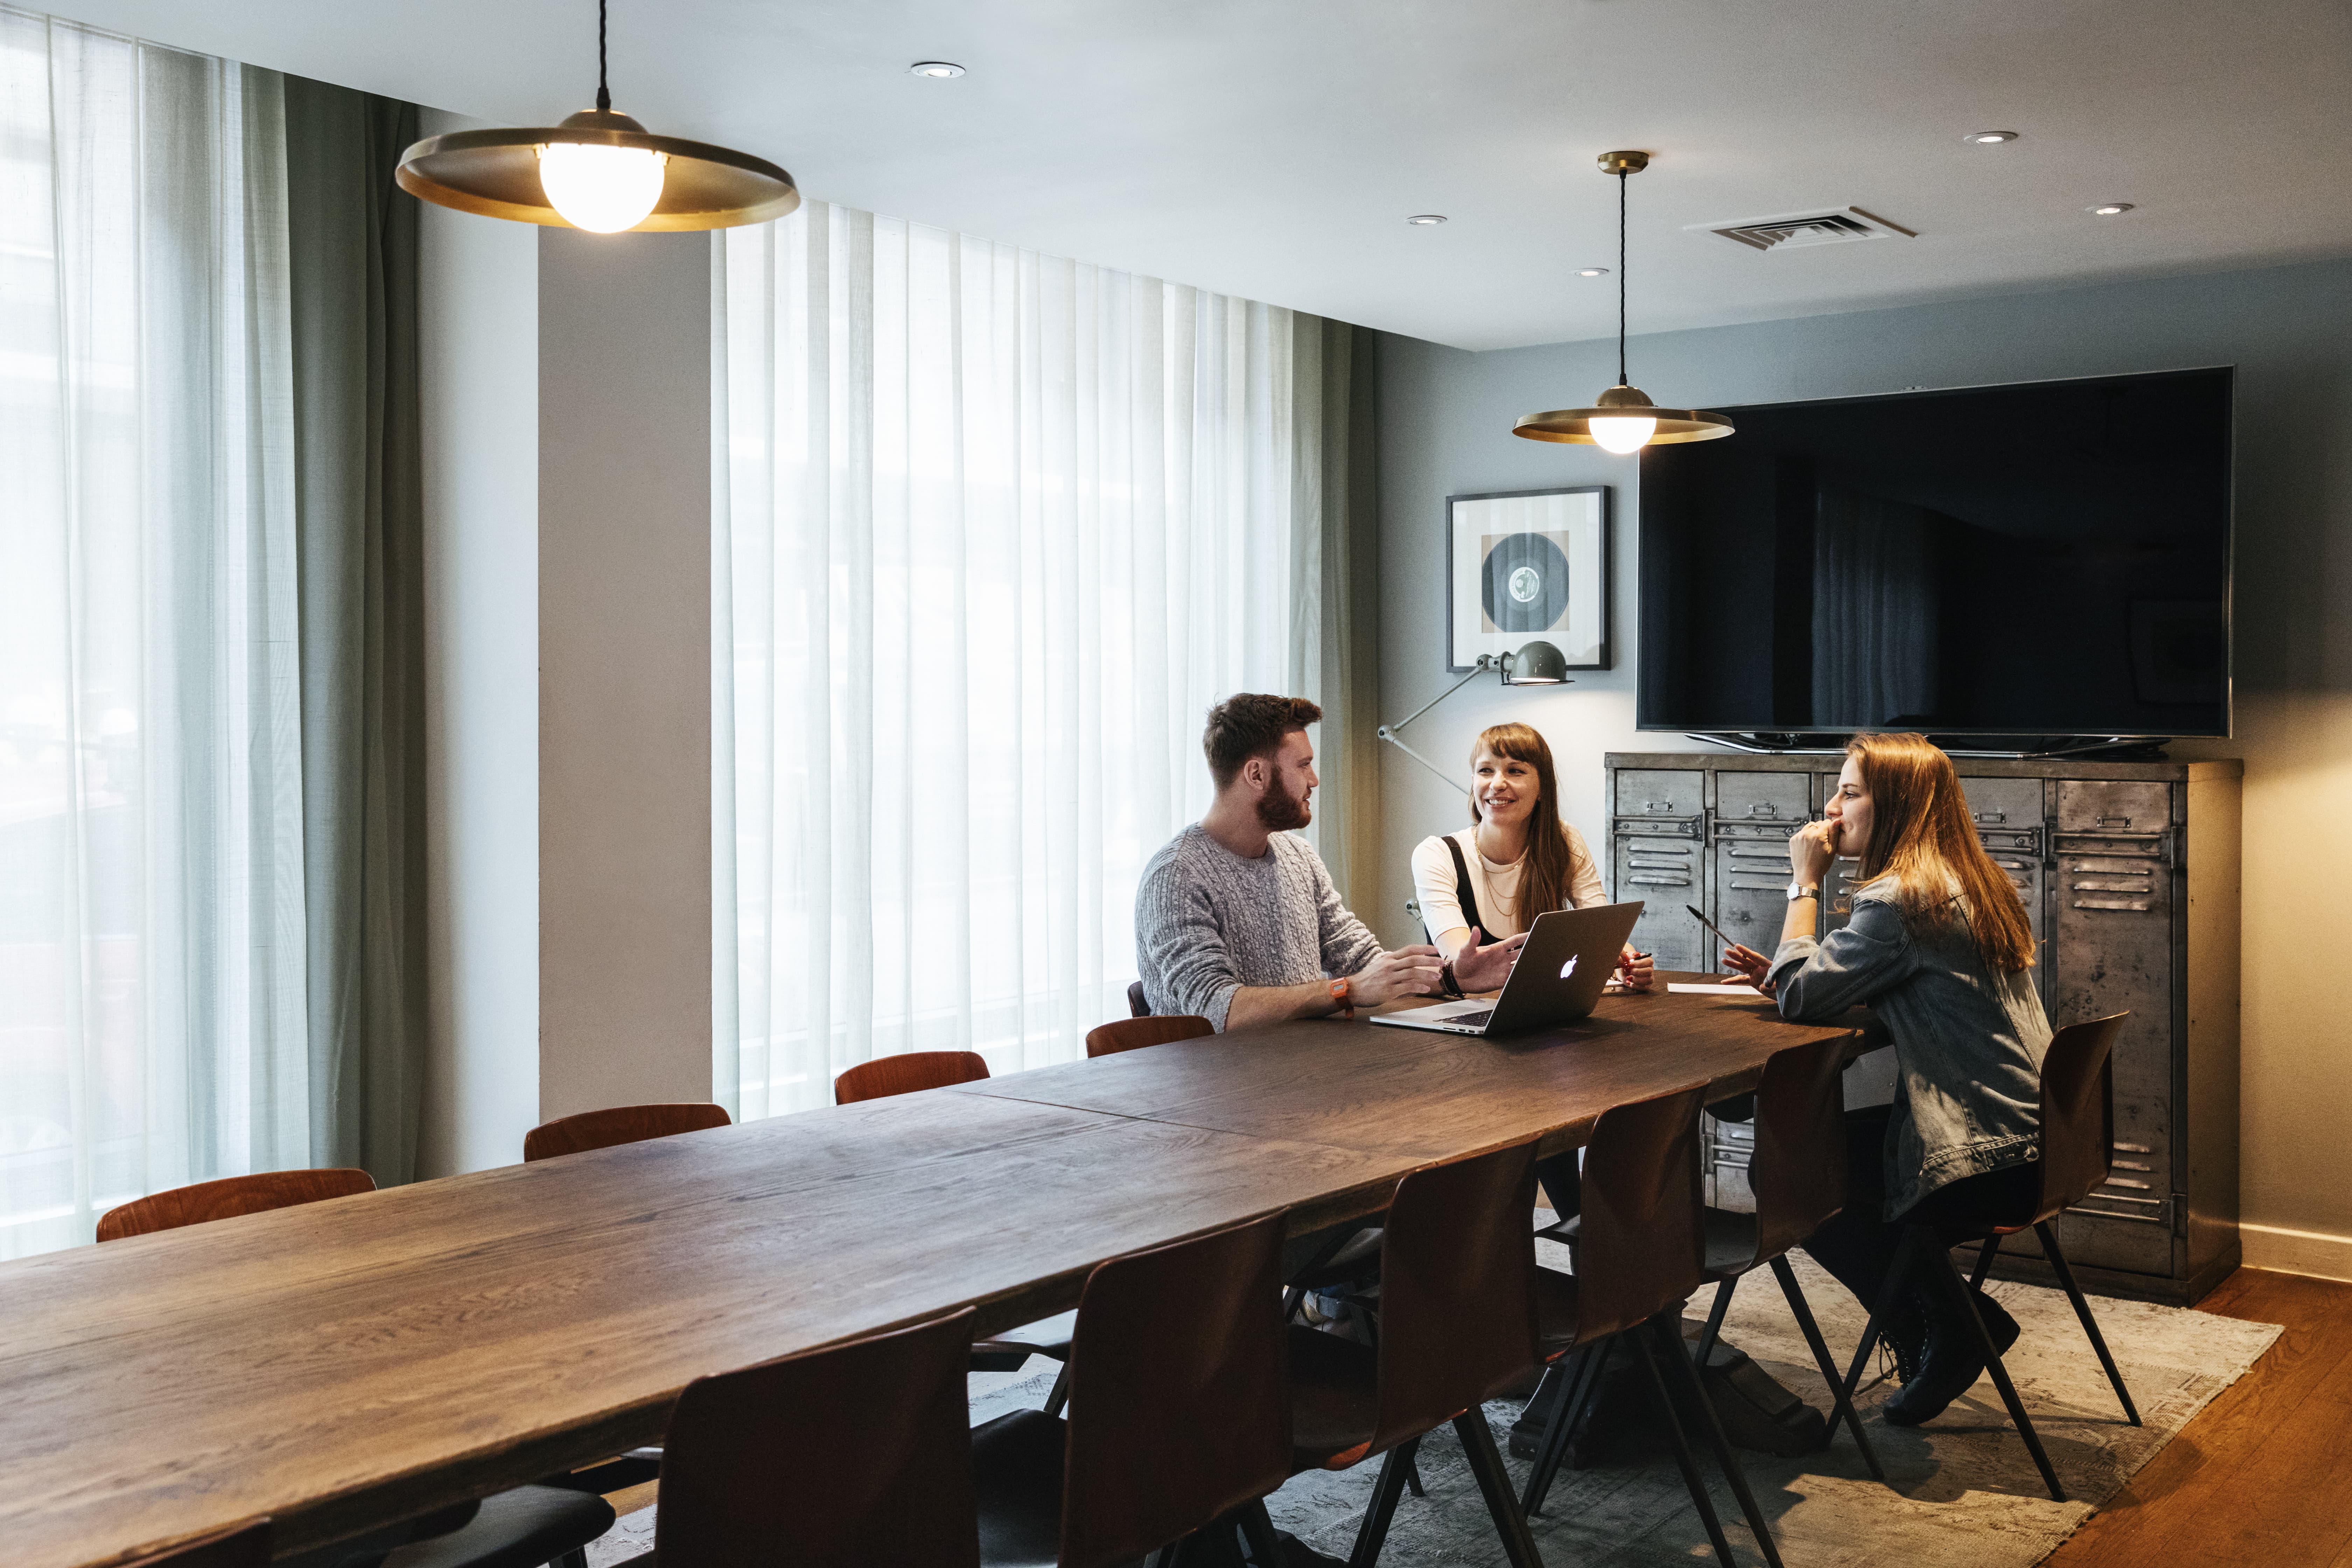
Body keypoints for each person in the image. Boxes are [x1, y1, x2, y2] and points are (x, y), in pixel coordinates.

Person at [1721, 732, 2050, 1425]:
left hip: (1986, 1155)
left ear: (1893, 805)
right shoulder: (1968, 880)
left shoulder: (1901, 899)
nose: (1832, 807)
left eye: (1850, 791)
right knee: (1816, 1158)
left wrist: (1804, 884)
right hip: (2037, 1137)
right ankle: (1945, 1324)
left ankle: (1951, 1327)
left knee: (1789, 1179)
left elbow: (1802, 1001)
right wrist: (1798, 979)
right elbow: (1896, 993)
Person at [1136, 694, 1525, 1030]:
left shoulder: (1298, 857)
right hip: (1210, 1099)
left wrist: (1455, 977)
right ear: (1256, 774)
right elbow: (1217, 1010)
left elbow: (1364, 961)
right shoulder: (1176, 876)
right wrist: (1346, 990)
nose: (1315, 779)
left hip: (1302, 1072)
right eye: (1303, 765)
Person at [1410, 721, 1656, 993]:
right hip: (1462, 1014)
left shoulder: (1565, 840)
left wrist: (1631, 963)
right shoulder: (1436, 854)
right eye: (1485, 771)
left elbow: (1604, 929)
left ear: (1542, 788)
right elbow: (1461, 963)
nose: (1497, 784)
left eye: (1515, 771)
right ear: (1473, 782)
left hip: (1539, 1009)